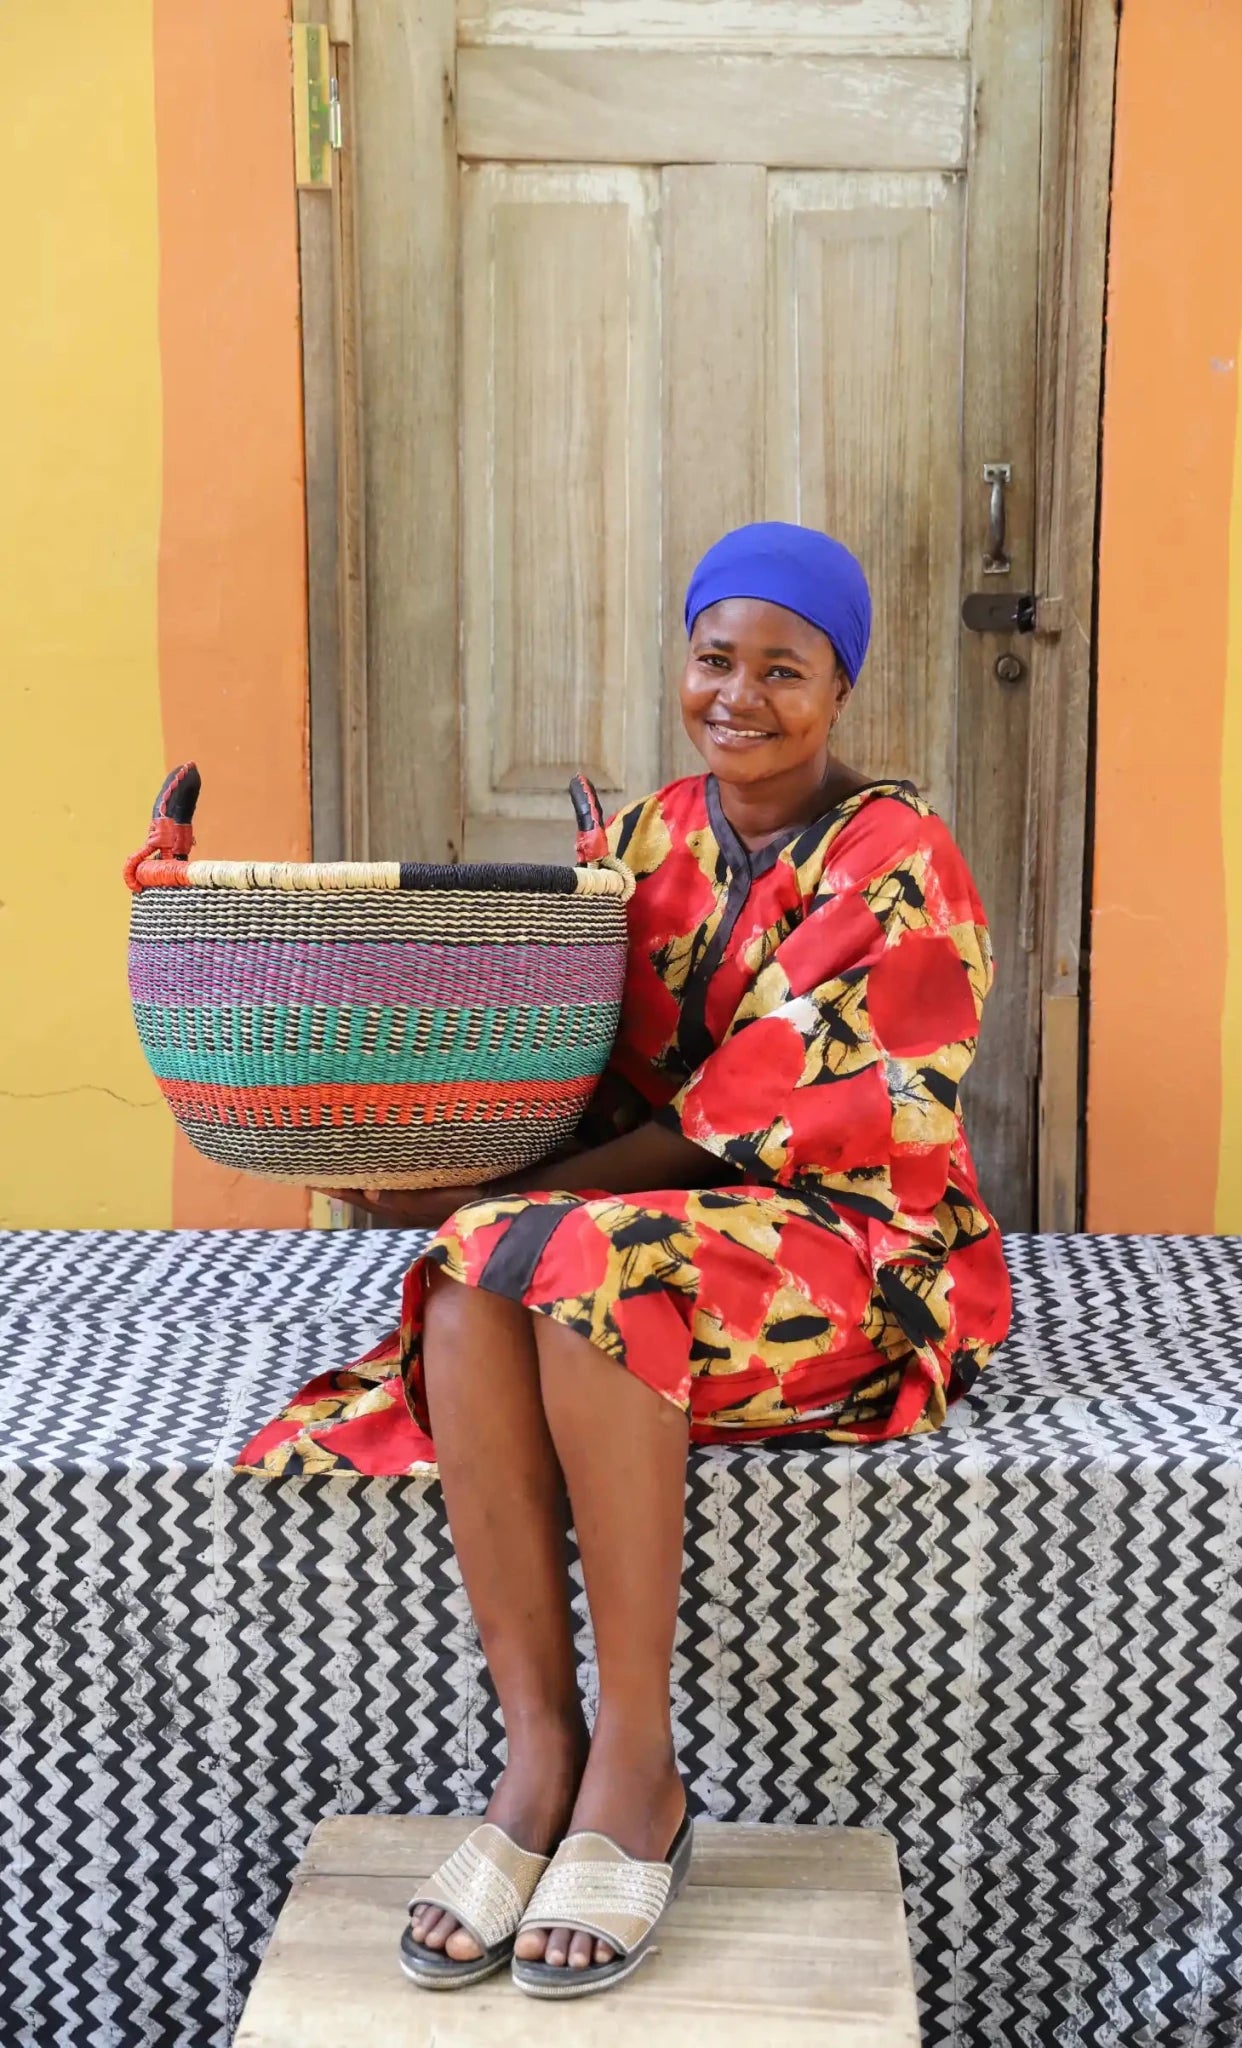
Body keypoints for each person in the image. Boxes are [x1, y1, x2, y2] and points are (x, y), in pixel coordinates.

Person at [239, 521, 1012, 2001]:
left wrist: (499, 1197)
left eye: (783, 669)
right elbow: (559, 1058)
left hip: (852, 1242)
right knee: (476, 1277)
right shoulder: (642, 840)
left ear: (841, 687)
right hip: (640, 1216)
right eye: (715, 659)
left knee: (564, 1265)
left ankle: (639, 1770)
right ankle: (540, 1753)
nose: (739, 696)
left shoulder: (899, 863)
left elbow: (754, 1123)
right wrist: (426, 1161)